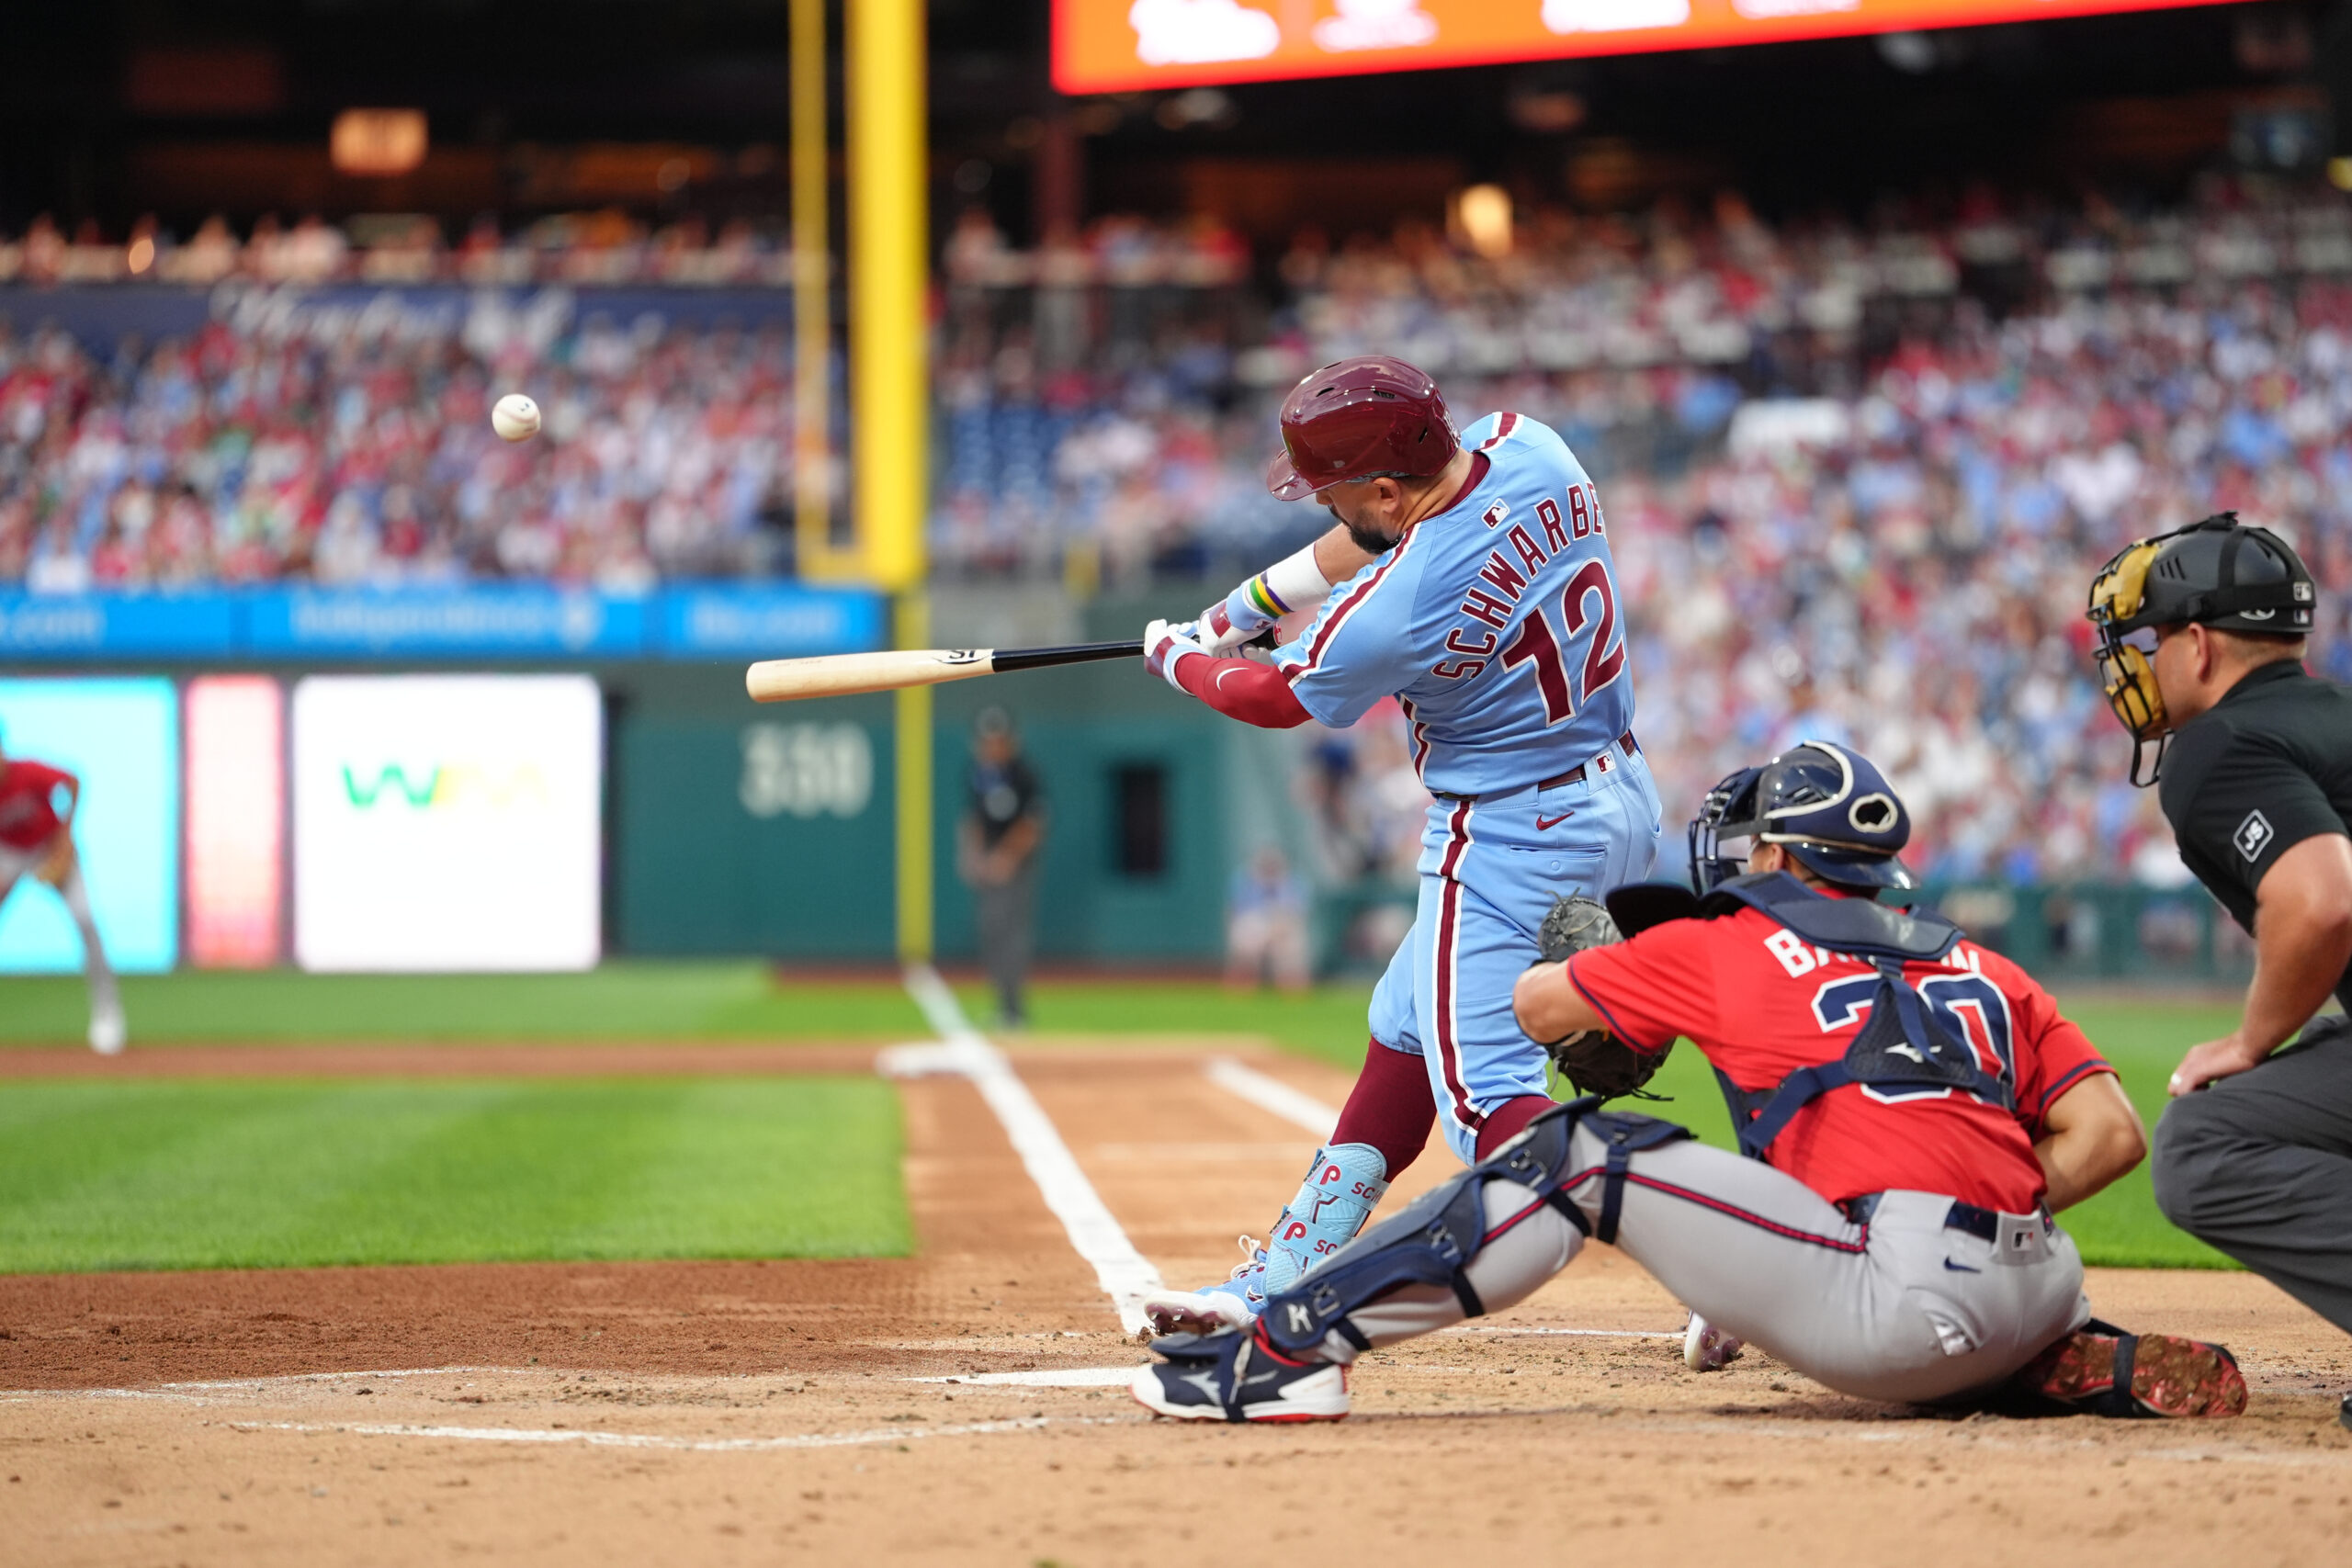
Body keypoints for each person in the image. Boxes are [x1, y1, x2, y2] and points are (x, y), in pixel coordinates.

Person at [1132, 742, 2247, 1424]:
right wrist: (1975, 1215)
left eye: (1753, 846)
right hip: (2039, 1281)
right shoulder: (1982, 965)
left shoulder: (1726, 946)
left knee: (1573, 1152)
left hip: (1901, 1307)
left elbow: (1537, 1010)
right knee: (1857, 1207)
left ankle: (1285, 1349)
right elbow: (2111, 1136)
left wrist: (1592, 956)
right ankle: (2025, 1354)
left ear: (1778, 858)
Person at [1136, 355, 1661, 1335]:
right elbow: (1367, 537)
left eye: (1335, 490)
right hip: (1619, 795)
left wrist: (1178, 658)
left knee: (1489, 1104)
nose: (1326, 506)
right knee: (1405, 1030)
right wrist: (1240, 611)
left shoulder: (1397, 604)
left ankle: (1726, 1258)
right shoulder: (1530, 447)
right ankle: (1281, 1274)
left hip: (1508, 833)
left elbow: (1275, 697)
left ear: (1384, 489)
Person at [2084, 512, 2352, 1432]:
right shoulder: (2336, 713)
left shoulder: (2218, 743)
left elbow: (2322, 902)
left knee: (2202, 1145)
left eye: (2153, 639)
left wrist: (2251, 1038)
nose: (2143, 663)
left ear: (2197, 645)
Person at [0, 733, 124, 1055]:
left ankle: (108, 1016)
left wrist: (65, 837)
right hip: (9, 854)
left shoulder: (27, 772)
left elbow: (72, 780)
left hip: (50, 846)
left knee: (85, 920)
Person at [957, 707, 1045, 1028]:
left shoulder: (1023, 774)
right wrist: (972, 855)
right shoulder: (978, 773)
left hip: (1016, 867)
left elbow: (1033, 824)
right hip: (989, 864)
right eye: (987, 741)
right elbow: (973, 819)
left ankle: (1014, 1008)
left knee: (1011, 934)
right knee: (991, 931)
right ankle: (1003, 1004)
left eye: (997, 740)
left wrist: (1006, 858)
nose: (992, 747)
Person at [1226, 844, 1312, 992]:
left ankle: (1293, 991)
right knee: (1248, 941)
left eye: (1274, 864)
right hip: (1253, 929)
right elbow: (1237, 914)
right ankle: (1241, 989)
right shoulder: (1243, 881)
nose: (1270, 868)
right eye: (1266, 864)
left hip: (1283, 930)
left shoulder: (1295, 883)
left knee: (1291, 946)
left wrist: (1277, 928)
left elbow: (1298, 915)